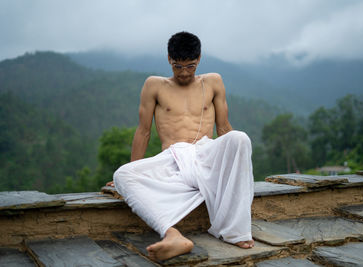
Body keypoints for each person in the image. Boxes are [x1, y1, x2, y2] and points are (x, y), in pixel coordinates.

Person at [106, 31, 254, 261]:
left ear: (199, 58)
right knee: (122, 175)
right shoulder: (154, 85)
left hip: (205, 155)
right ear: (169, 59)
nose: (184, 73)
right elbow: (143, 131)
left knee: (240, 138)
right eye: (178, 66)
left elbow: (224, 128)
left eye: (190, 66)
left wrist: (237, 167)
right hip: (173, 159)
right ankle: (172, 235)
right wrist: (137, 168)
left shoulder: (213, 81)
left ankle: (235, 231)